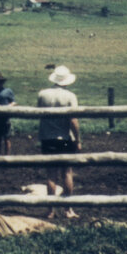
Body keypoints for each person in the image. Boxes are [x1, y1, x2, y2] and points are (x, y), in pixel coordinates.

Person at [37, 65, 80, 219]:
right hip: (65, 138)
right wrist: (78, 139)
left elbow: (39, 114)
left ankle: (50, 210)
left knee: (51, 175)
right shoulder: (70, 96)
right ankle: (68, 209)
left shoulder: (43, 94)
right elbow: (73, 120)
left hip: (47, 138)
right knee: (67, 173)